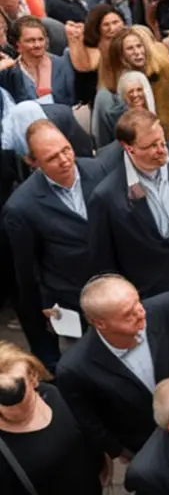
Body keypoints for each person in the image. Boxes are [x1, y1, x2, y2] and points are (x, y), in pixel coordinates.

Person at [55, 275, 169, 463]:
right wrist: (122, 453)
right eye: (128, 314)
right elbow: (90, 422)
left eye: (138, 303)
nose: (140, 313)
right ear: (100, 323)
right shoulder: (75, 368)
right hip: (151, 450)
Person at [2, 118, 106, 368]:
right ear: (33, 163)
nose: (65, 160)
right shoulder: (21, 208)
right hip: (72, 305)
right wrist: (45, 311)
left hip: (116, 291)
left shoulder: (98, 170)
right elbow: (27, 274)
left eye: (66, 149)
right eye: (52, 158)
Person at [86, 105, 169, 298]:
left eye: (162, 141)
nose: (162, 150)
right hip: (149, 294)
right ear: (128, 147)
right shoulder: (106, 197)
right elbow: (104, 264)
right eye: (151, 146)